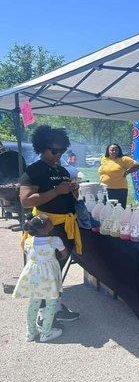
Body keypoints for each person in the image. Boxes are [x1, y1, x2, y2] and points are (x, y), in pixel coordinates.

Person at [19, 125, 80, 323]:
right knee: (46, 271)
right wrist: (56, 191)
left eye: (62, 150)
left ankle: (54, 305)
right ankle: (44, 312)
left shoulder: (62, 169)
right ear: (42, 148)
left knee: (56, 270)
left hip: (65, 227)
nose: (58, 154)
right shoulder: (34, 170)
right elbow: (26, 200)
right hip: (46, 229)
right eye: (55, 150)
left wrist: (73, 189)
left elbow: (71, 195)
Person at [13, 214, 67, 342]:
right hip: (49, 277)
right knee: (50, 303)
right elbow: (64, 254)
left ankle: (31, 332)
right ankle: (46, 332)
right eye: (50, 222)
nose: (52, 223)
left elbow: (29, 254)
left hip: (34, 276)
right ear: (45, 229)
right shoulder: (55, 240)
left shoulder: (28, 241)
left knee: (33, 303)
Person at [98, 143, 139, 208]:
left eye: (116, 150)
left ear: (119, 151)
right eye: (112, 150)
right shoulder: (104, 158)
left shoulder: (124, 159)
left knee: (119, 209)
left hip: (119, 190)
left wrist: (127, 172)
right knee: (106, 209)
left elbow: (138, 165)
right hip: (104, 189)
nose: (114, 151)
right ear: (108, 151)